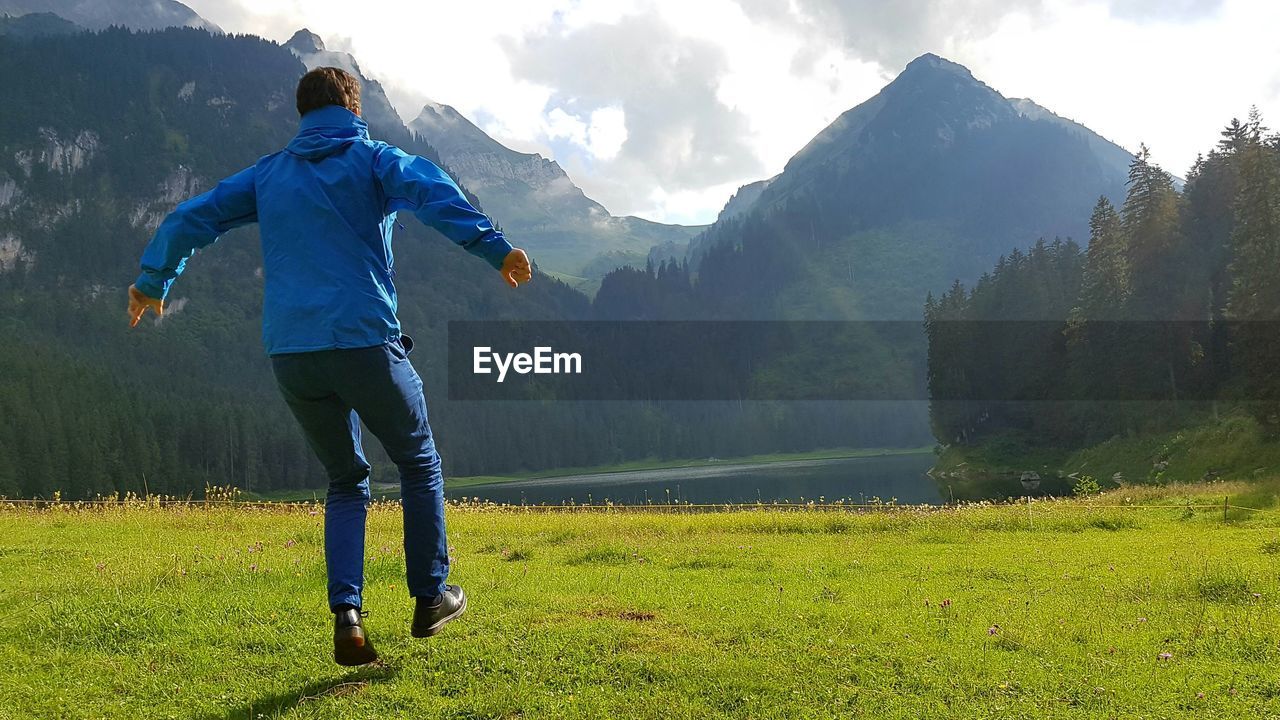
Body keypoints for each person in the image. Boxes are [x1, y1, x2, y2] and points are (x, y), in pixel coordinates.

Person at [127, 66, 532, 666]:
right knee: (418, 461)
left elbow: (192, 216)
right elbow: (434, 192)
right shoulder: (372, 159)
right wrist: (496, 249)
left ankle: (347, 614)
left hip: (292, 353)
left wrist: (151, 281)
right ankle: (431, 596)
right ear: (353, 106)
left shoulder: (268, 175)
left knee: (346, 479)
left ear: (302, 111)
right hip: (364, 339)